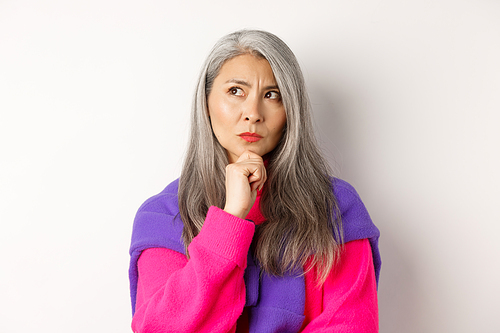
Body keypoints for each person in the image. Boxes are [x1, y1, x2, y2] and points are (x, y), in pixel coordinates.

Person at [129, 29, 381, 333]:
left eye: (272, 95)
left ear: (291, 112)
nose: (253, 113)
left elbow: (351, 325)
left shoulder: (336, 207)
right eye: (236, 91)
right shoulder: (161, 216)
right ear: (206, 102)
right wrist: (230, 218)